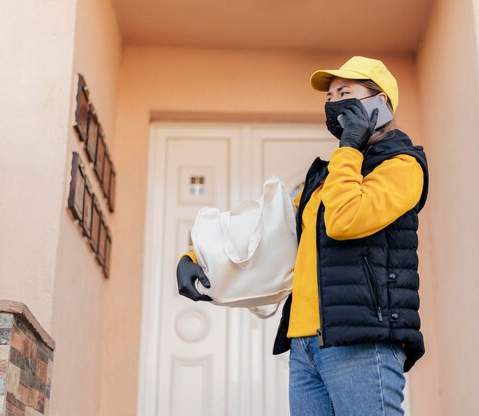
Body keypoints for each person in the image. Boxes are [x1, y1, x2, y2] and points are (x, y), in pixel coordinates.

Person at [177, 56, 430, 416]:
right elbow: (267, 228)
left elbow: (345, 220)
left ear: (380, 104)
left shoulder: (402, 167)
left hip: (361, 339)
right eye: (329, 98)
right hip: (306, 343)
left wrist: (349, 150)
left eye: (345, 92)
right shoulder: (328, 177)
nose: (333, 104)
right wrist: (194, 256)